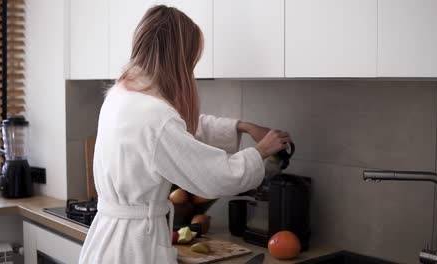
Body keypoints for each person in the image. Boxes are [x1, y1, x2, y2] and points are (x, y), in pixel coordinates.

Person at [79, 5, 291, 263]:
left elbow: (177, 133)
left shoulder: (122, 97)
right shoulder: (154, 115)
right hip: (133, 249)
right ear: (179, 58)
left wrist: (241, 126)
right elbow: (216, 177)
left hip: (107, 241)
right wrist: (261, 151)